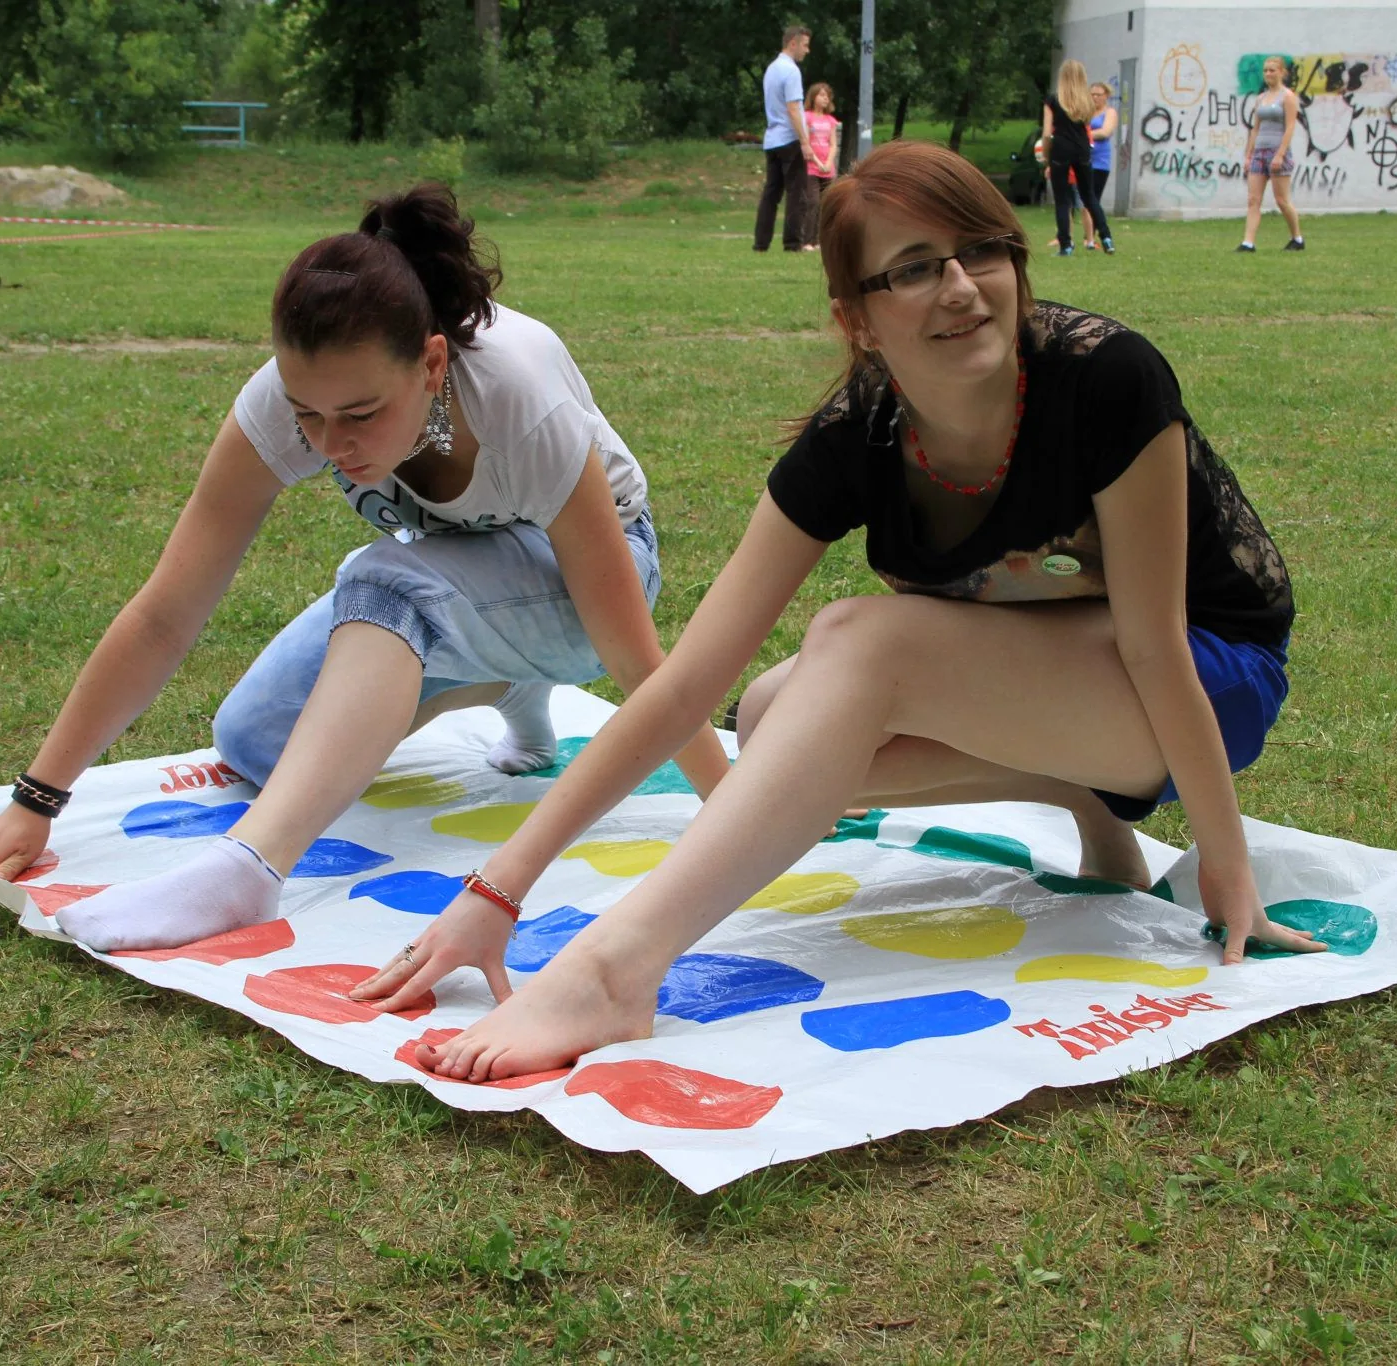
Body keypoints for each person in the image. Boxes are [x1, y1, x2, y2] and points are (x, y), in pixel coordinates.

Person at [352, 141, 1320, 1083]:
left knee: (860, 643)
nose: (959, 288)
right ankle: (1088, 811)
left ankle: (614, 968)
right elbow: (686, 679)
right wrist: (496, 888)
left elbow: (1154, 645)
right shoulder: (858, 436)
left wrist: (1221, 855)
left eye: (980, 250)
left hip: (1205, 674)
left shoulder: (1105, 378)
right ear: (855, 316)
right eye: (909, 271)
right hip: (1063, 678)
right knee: (776, 716)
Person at [0, 184, 731, 955]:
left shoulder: (521, 397)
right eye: (308, 414)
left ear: (432, 364)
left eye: (360, 414)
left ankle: (248, 870)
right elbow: (167, 610)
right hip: (460, 589)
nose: (331, 445)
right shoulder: (281, 400)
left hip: (595, 583)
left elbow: (629, 652)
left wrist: (728, 802)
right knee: (256, 740)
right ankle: (505, 680)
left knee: (383, 582)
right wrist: (37, 800)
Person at [1043, 60, 1112, 256]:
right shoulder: (1087, 103)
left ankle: (1065, 243)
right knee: (1089, 195)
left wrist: (1046, 156)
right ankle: (1106, 237)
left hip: (1060, 150)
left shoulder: (1053, 101)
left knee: (1062, 199)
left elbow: (1048, 133)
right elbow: (1086, 127)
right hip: (1082, 149)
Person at [754, 25, 813, 254]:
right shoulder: (791, 71)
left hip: (772, 139)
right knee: (797, 194)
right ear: (793, 43)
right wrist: (805, 141)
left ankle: (761, 243)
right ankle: (792, 243)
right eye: (805, 45)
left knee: (771, 194)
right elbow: (793, 108)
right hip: (790, 139)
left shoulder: (771, 69)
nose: (807, 51)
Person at [1239, 57, 1304, 252]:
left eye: (1272, 70)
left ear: (1282, 73)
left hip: (1277, 152)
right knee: (1253, 199)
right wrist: (1249, 155)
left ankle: (1297, 238)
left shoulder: (1287, 97)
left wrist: (1280, 154)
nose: (1268, 74)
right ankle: (1248, 243)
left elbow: (1290, 126)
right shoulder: (1260, 98)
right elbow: (1255, 129)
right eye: (1266, 70)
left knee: (1282, 200)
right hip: (1259, 152)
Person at [800, 82, 841, 251]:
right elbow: (806, 142)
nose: (825, 99)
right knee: (813, 202)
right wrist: (817, 162)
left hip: (827, 168)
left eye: (827, 96)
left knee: (826, 204)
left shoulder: (830, 120)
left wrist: (828, 162)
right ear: (813, 97)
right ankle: (807, 240)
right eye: (821, 95)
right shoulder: (807, 117)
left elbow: (833, 144)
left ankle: (819, 241)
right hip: (811, 167)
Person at [1087, 81, 1118, 214]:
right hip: (1083, 159)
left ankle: (1096, 232)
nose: (1095, 98)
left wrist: (1084, 135)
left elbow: (1105, 132)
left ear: (1106, 96)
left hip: (1100, 161)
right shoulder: (1086, 113)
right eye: (1092, 94)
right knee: (1083, 200)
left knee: (1094, 198)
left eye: (1098, 95)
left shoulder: (1110, 112)